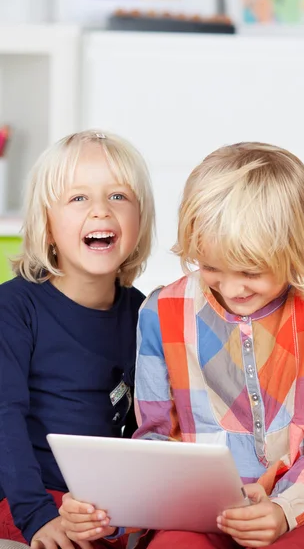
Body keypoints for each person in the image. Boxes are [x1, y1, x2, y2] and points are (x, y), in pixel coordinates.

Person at [61, 142, 304, 549]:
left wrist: (284, 510)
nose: (231, 288)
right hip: (194, 512)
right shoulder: (162, 310)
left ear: (294, 248)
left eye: (250, 271)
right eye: (210, 268)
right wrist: (106, 512)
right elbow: (154, 443)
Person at [0, 130, 155, 549]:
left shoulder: (147, 313)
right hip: (23, 495)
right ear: (46, 226)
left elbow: (151, 421)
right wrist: (38, 516)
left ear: (140, 221)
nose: (101, 210)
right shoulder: (13, 308)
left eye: (119, 196)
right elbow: (4, 418)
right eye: (78, 198)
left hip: (103, 503)